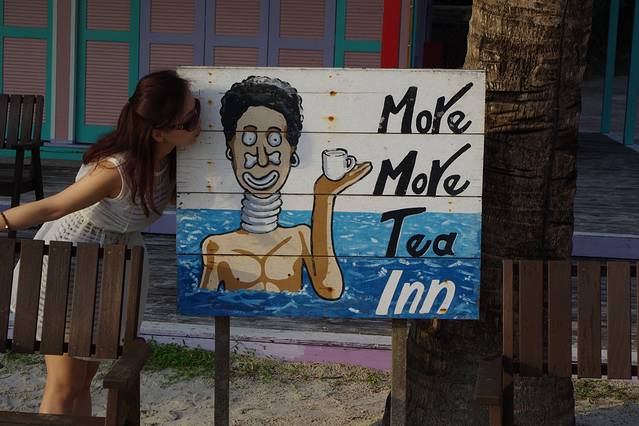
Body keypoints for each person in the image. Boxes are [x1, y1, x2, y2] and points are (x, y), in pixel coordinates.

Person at [0, 70, 200, 416]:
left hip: (112, 267)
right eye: (190, 120)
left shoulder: (169, 161)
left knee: (83, 381)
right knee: (64, 384)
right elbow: (53, 206)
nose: (200, 123)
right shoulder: (117, 169)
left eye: (197, 109)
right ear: (158, 132)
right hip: (70, 262)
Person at [198, 75, 372, 300]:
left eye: (274, 140)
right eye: (249, 139)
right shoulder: (215, 246)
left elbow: (330, 289)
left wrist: (324, 196)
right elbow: (204, 302)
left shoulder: (300, 237)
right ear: (230, 149)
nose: (262, 159)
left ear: (292, 152)